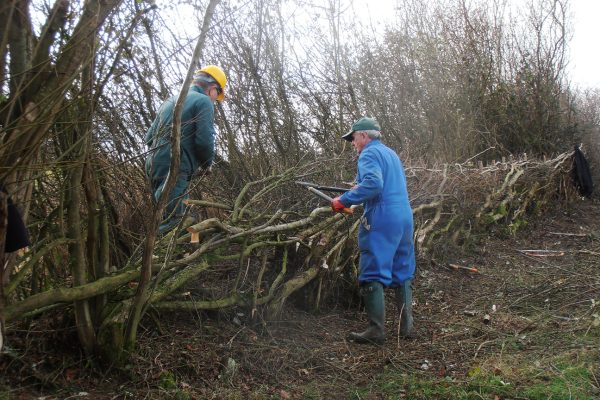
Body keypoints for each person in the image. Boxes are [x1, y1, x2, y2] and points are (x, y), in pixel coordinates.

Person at [331, 117, 416, 344]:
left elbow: (374, 185)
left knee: (372, 269)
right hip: (404, 215)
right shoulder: (390, 153)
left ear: (364, 136)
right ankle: (406, 327)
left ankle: (376, 331)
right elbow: (381, 184)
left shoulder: (368, 154)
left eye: (353, 138)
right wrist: (356, 190)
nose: (352, 143)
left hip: (382, 216)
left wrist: (345, 200)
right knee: (402, 268)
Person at [145, 65, 227, 233]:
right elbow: (204, 141)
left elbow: (149, 138)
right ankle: (165, 258)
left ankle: (164, 255)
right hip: (175, 166)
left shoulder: (170, 100)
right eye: (217, 95)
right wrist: (207, 164)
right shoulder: (203, 101)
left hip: (153, 165)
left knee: (164, 215)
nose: (215, 99)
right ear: (212, 88)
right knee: (173, 223)